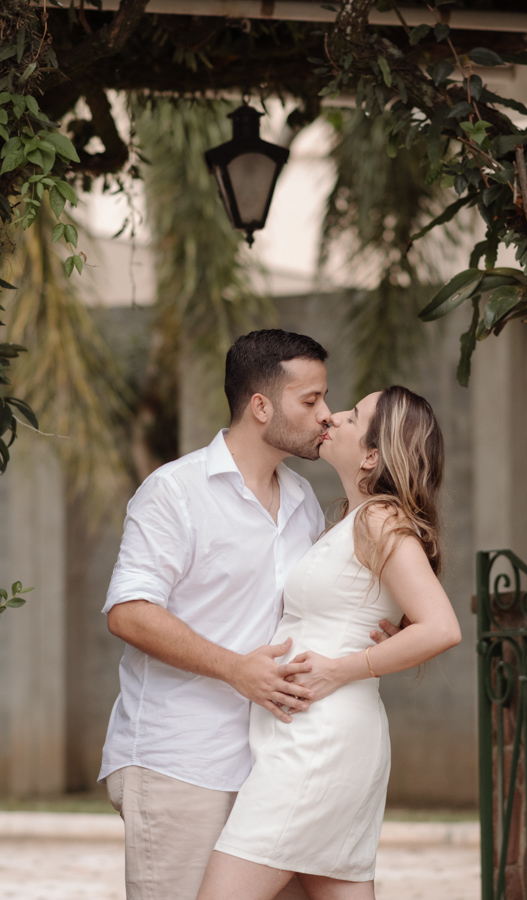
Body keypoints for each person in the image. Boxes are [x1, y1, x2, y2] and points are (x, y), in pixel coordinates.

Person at [197, 385, 462, 900]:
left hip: (318, 744)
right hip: (314, 736)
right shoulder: (354, 520)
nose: (333, 417)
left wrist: (341, 668)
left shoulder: (379, 519)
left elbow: (441, 627)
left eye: (353, 416)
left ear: (371, 455)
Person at [98, 329, 334, 900]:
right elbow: (129, 612)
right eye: (310, 400)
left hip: (272, 765)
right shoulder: (174, 492)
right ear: (261, 406)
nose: (326, 414)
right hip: (181, 761)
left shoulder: (303, 500)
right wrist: (236, 669)